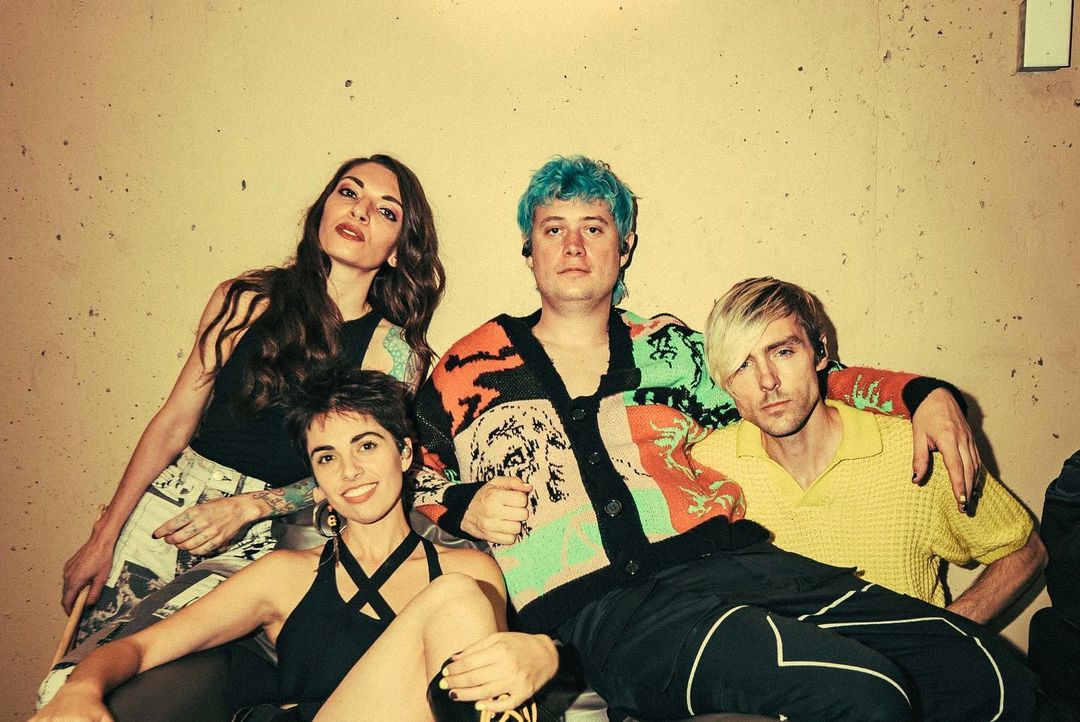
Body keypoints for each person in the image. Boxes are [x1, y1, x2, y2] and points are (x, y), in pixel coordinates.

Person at [412, 156, 1038, 720]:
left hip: (737, 563)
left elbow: (801, 382)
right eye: (554, 229)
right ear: (529, 249)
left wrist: (921, 394)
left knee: (989, 677)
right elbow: (404, 470)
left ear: (624, 247)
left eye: (594, 227)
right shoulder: (469, 364)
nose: (574, 245)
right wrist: (462, 503)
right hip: (606, 615)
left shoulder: (669, 349)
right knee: (868, 694)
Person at [40, 154, 446, 705]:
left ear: (398, 248)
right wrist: (104, 536)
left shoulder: (394, 350)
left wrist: (251, 506)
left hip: (272, 532)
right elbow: (174, 421)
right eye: (349, 193)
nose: (360, 211)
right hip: (172, 506)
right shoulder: (246, 299)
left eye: (386, 210)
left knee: (156, 684)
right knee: (73, 683)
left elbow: (356, 474)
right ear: (324, 208)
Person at [32, 367, 536, 722]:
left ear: (404, 454)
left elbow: (499, 687)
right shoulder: (285, 575)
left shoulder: (471, 568)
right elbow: (138, 647)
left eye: (366, 446)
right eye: (326, 457)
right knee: (456, 595)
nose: (350, 471)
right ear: (316, 475)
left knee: (458, 594)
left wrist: (547, 656)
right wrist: (81, 687)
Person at [693, 276, 1047, 624]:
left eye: (783, 352)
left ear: (820, 352)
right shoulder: (706, 467)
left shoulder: (915, 451)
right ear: (725, 381)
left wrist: (942, 637)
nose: (767, 380)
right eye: (743, 364)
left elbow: (1026, 551)